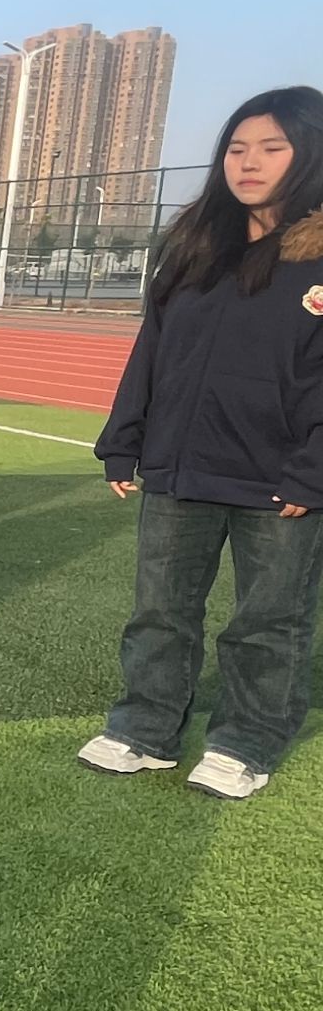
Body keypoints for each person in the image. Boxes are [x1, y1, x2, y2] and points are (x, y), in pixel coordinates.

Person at [80, 85, 323, 801]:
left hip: (281, 481)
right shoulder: (196, 247)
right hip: (181, 468)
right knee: (159, 612)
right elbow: (153, 349)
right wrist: (124, 439)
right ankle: (145, 729)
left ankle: (246, 741)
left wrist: (313, 471)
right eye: (237, 148)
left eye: (272, 148)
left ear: (310, 154)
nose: (248, 162)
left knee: (268, 623)